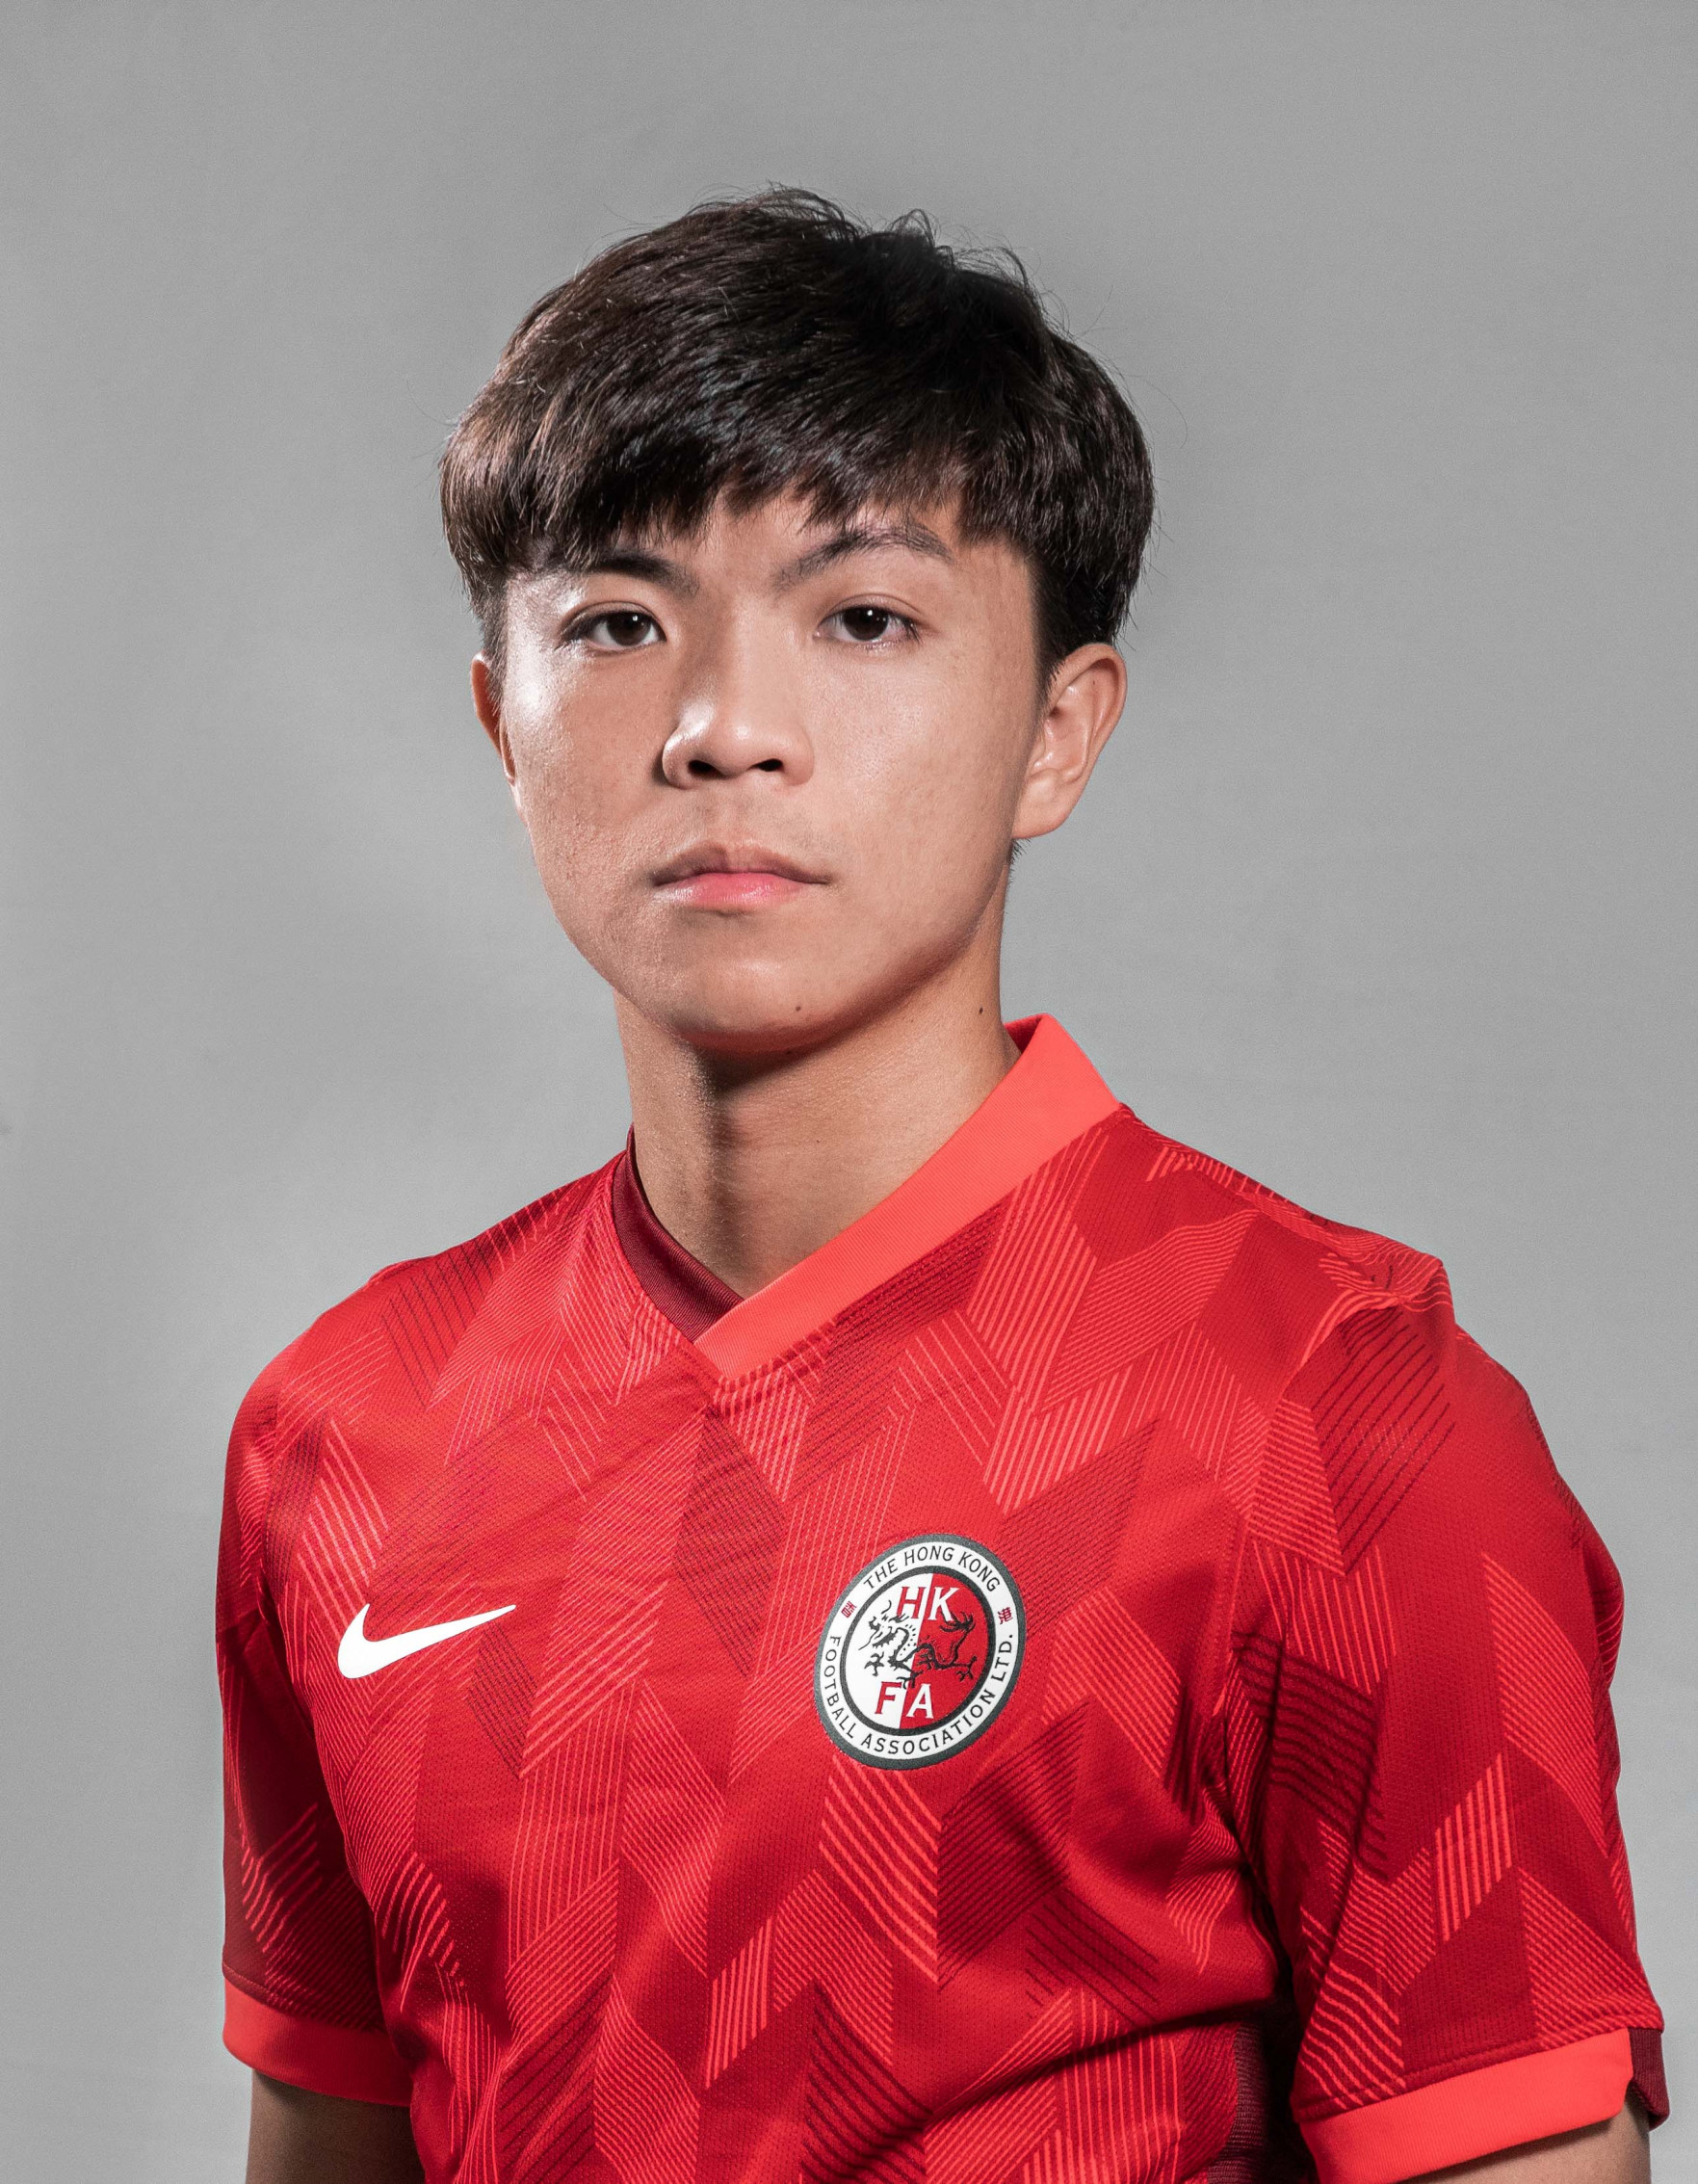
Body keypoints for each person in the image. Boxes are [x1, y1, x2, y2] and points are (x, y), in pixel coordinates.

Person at [219, 192, 1664, 2184]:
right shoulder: (346, 1434)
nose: (723, 730)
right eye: (619, 624)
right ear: (501, 725)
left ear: (1056, 735)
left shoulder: (1339, 1413)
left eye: (865, 619)